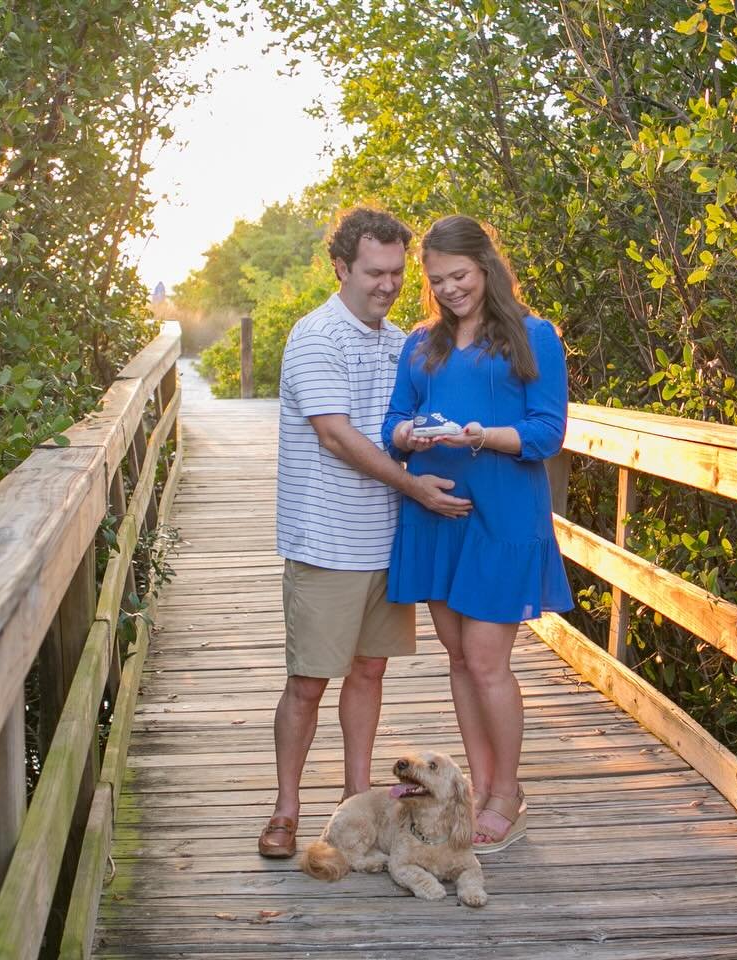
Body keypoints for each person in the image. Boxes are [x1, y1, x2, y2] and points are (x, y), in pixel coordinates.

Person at [260, 207, 473, 858]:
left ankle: (357, 799)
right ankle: (286, 809)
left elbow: (420, 419)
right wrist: (414, 486)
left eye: (396, 274)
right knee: (307, 681)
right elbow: (336, 435)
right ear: (341, 268)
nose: (386, 284)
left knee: (370, 672)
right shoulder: (315, 335)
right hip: (327, 540)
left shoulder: (402, 343)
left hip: (387, 542)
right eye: (374, 272)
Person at [383, 214, 573, 854]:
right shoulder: (423, 344)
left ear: (487, 266)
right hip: (439, 520)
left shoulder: (534, 337)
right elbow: (394, 424)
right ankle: (478, 786)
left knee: (490, 662)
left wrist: (480, 437)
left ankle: (507, 793)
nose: (450, 290)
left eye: (459, 276)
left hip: (503, 519)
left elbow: (547, 433)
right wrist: (407, 436)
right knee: (460, 659)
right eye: (437, 282)